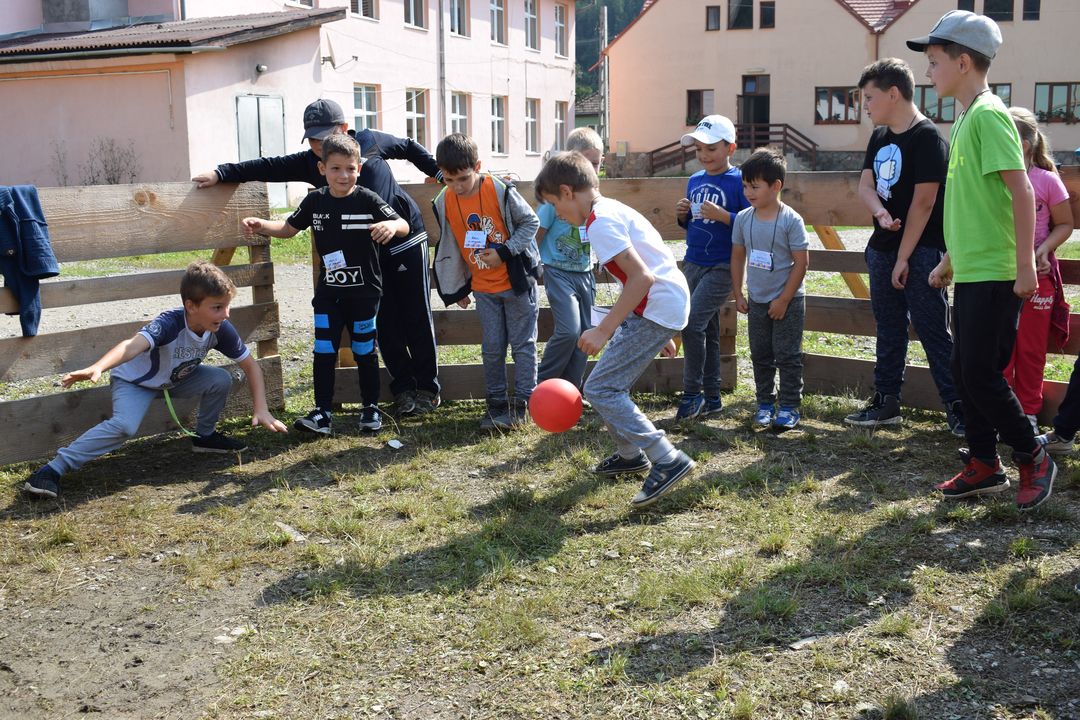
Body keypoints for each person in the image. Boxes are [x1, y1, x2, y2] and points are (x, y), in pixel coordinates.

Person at [193, 98, 442, 417]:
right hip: (366, 256)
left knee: (416, 314)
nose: (318, 145)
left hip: (404, 238)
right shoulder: (315, 161)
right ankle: (404, 389)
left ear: (343, 128)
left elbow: (407, 146)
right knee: (384, 320)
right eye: (312, 139)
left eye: (324, 136)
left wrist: (439, 171)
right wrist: (221, 173)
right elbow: (269, 166)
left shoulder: (370, 141)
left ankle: (428, 389)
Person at [908, 9, 1056, 509]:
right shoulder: (968, 117)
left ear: (963, 62)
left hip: (997, 272)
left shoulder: (990, 115)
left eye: (934, 62)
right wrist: (951, 258)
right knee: (964, 369)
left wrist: (1025, 265)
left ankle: (1033, 455)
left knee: (980, 374)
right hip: (972, 270)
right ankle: (983, 464)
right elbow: (977, 203)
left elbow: (1021, 191)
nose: (928, 72)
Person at [21, 261, 288, 499]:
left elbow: (250, 366)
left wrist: (261, 408)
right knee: (125, 426)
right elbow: (131, 346)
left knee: (219, 378)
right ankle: (52, 470)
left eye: (227, 306)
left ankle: (205, 438)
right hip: (137, 383)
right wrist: (98, 367)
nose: (226, 314)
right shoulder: (170, 323)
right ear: (191, 306)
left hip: (175, 379)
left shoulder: (220, 328)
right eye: (217, 307)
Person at [535, 151, 694, 509]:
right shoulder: (607, 211)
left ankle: (666, 458)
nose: (557, 214)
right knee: (606, 384)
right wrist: (657, 332)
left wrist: (604, 330)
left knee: (602, 388)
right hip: (656, 308)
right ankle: (629, 455)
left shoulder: (600, 223)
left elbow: (642, 277)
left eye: (555, 206)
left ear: (567, 192)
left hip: (656, 306)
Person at [242, 134, 410, 434]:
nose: (343, 175)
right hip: (328, 295)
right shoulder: (315, 201)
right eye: (335, 168)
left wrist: (391, 224)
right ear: (322, 169)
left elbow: (403, 225)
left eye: (350, 169)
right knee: (323, 350)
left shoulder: (368, 199)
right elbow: (289, 228)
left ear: (359, 169)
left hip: (365, 295)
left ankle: (370, 408)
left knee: (364, 351)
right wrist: (262, 225)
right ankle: (322, 413)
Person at [846, 58, 963, 435]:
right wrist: (880, 212)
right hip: (884, 249)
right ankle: (886, 402)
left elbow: (924, 203)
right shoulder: (879, 136)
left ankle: (959, 407)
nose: (865, 106)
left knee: (933, 329)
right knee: (889, 328)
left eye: (869, 97)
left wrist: (904, 257)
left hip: (923, 250)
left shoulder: (927, 137)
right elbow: (866, 186)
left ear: (893, 94)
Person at [431, 133, 541, 430]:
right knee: (492, 348)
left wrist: (504, 252)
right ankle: (496, 406)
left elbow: (531, 222)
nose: (457, 186)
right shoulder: (444, 201)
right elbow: (453, 244)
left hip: (516, 284)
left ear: (477, 167)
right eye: (449, 180)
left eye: (463, 179)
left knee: (523, 346)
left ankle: (524, 404)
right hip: (483, 289)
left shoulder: (499, 190)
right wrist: (458, 286)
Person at [1003, 106, 1074, 432]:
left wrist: (1044, 248)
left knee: (1031, 349)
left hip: (1039, 277)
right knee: (1001, 351)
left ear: (1024, 145)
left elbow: (1065, 224)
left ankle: (1028, 414)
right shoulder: (993, 179)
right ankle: (1002, 414)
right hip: (999, 275)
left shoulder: (1046, 180)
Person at [673, 114, 747, 420]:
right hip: (693, 262)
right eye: (698, 149)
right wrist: (682, 215)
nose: (704, 155)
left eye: (711, 149)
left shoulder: (739, 181)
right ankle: (713, 397)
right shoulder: (694, 180)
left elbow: (751, 222)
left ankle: (692, 394)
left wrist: (725, 216)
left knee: (692, 324)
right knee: (709, 329)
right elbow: (692, 224)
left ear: (730, 148)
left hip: (722, 265)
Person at [731, 148, 809, 430]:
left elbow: (802, 263)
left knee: (787, 354)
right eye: (745, 186)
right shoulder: (743, 219)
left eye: (755, 186)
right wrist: (739, 292)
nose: (748, 192)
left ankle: (789, 406)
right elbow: (737, 256)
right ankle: (764, 403)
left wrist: (784, 299)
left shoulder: (791, 220)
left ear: (776, 186)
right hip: (757, 300)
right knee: (760, 353)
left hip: (788, 301)